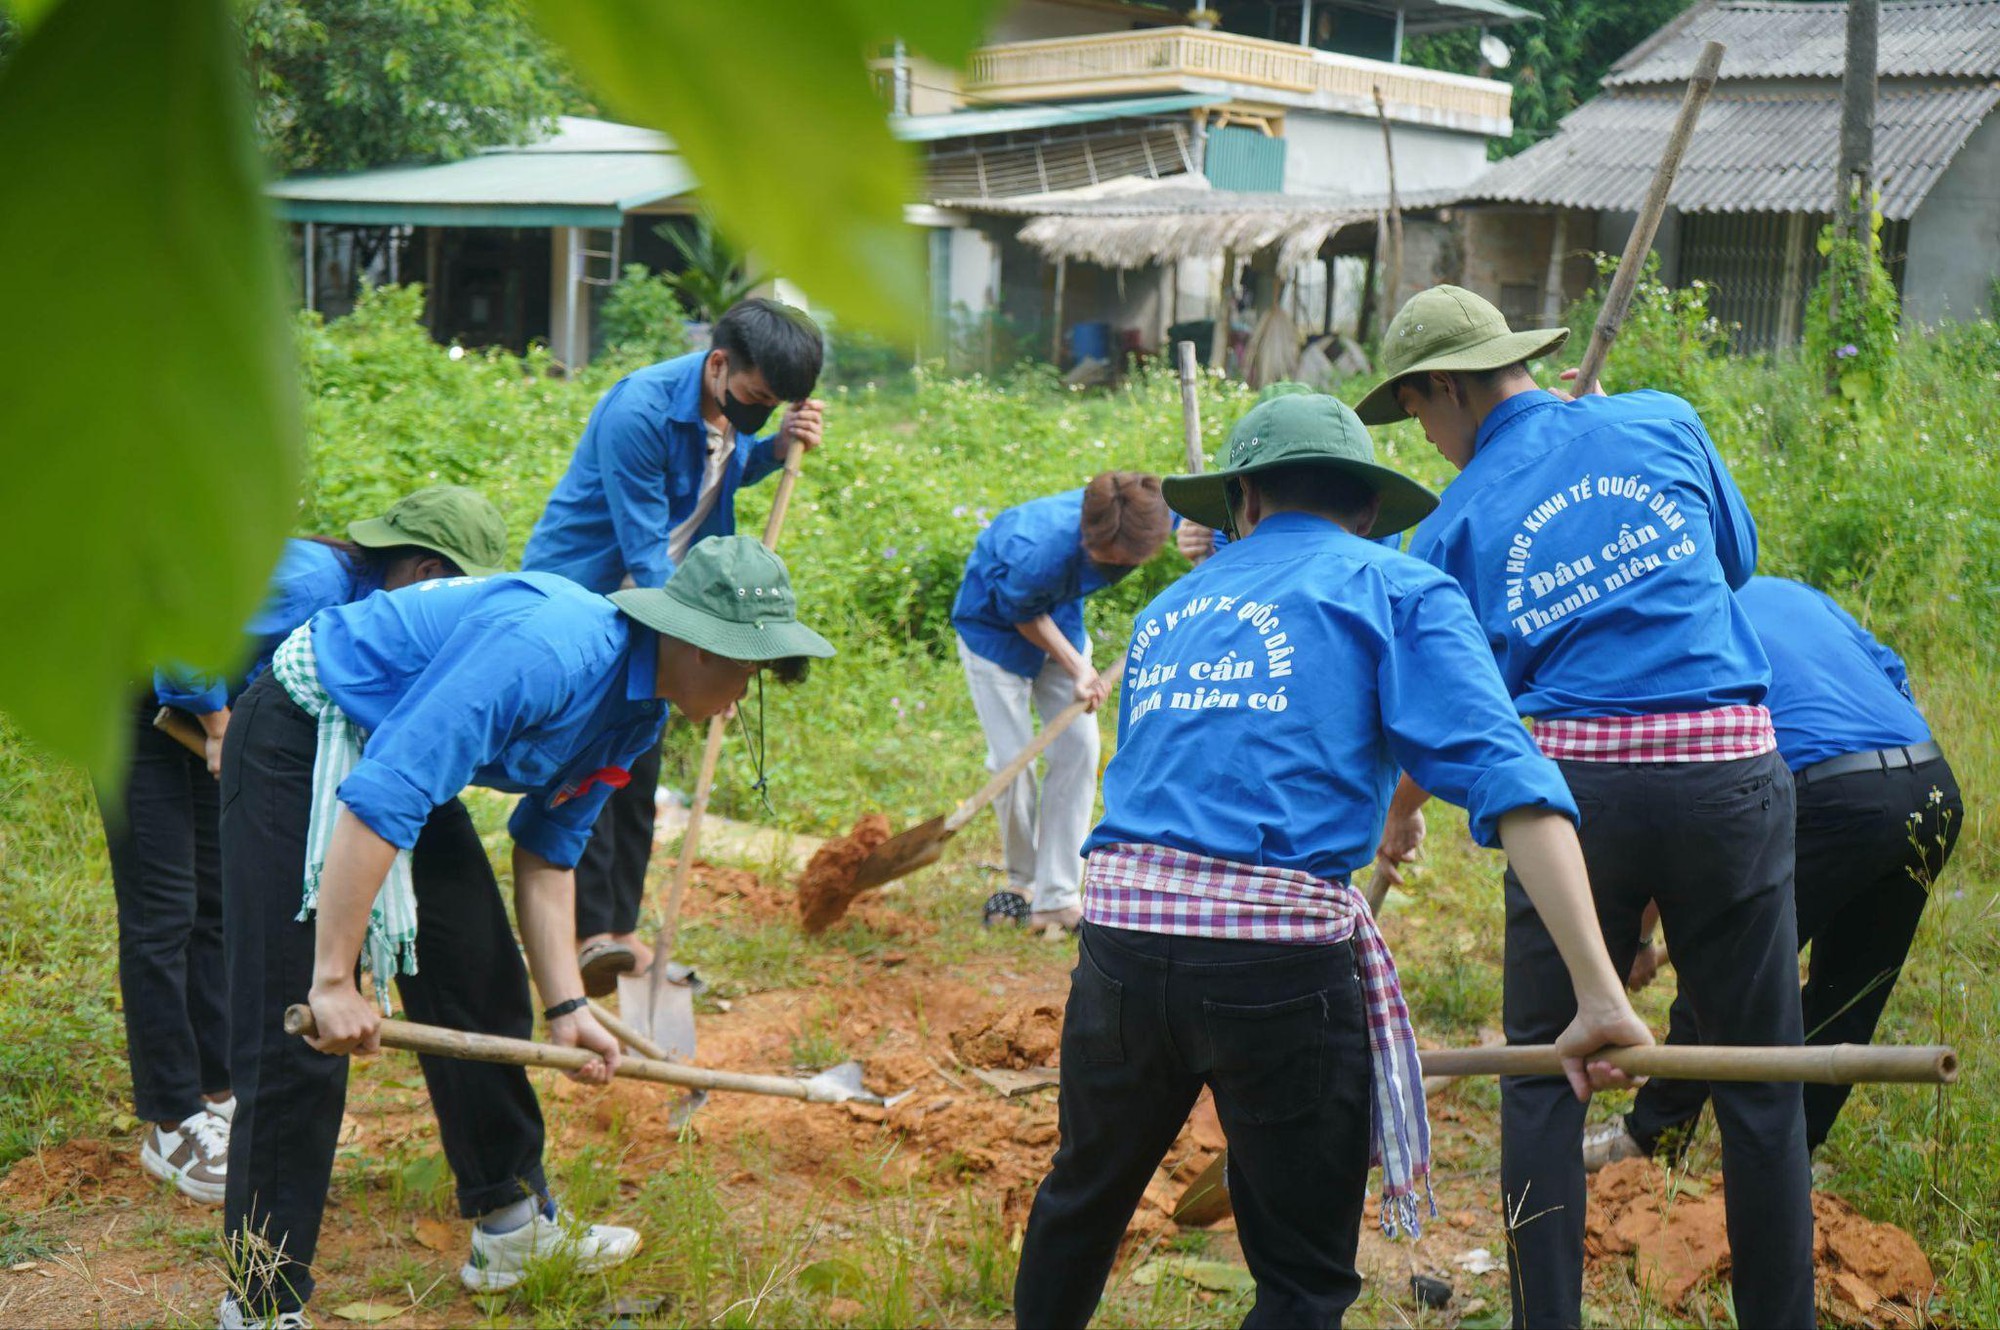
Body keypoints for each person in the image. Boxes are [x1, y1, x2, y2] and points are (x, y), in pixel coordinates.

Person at [1012, 393, 1651, 1329]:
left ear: (1242, 505)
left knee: (1082, 1199)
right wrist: (1600, 994)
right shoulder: (1395, 589)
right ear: (1366, 512)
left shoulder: (1172, 609)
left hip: (1120, 952)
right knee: (1304, 1278)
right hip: (1277, 973)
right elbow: (1515, 782)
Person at [216, 537, 834, 1328]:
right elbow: (382, 797)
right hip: (305, 732)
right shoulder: (551, 651)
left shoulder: (638, 714)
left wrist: (568, 1005)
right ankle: (261, 1303)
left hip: (396, 747)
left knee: (479, 978)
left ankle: (510, 1228)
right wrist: (335, 979)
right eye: (748, 669)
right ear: (693, 643)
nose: (746, 693)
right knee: (298, 1034)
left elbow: (547, 849)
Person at [1356, 285, 1816, 1328]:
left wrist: (1398, 808)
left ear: (1447, 386)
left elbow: (1453, 695)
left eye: (1418, 414)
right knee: (1757, 1076)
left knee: (1541, 1073)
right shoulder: (1658, 418)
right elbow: (1732, 563)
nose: (1426, 441)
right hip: (1725, 779)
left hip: (1569, 803)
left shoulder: (1453, 523)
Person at [100, 485, 506, 1207]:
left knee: (215, 905)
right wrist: (221, 724)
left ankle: (215, 1094)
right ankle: (172, 1120)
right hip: (142, 705)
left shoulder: (360, 604)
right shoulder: (313, 581)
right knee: (162, 911)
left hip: (205, 714)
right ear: (421, 570)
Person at [1587, 575, 1964, 1169]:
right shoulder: (1789, 592)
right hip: (1930, 784)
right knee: (1849, 992)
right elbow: (1893, 674)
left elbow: (1676, 802)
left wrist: (1636, 937)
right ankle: (1796, 1158)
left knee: (1726, 968)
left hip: (1829, 795)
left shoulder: (1685, 623)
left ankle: (1648, 1141)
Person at [521, 297, 826, 994]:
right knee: (590, 764)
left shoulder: (728, 405)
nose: (758, 409)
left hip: (663, 599)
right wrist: (709, 649)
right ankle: (586, 932)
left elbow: (719, 474)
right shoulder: (640, 412)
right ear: (719, 364)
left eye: (774, 403)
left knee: (638, 759)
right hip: (594, 599)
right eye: (755, 399)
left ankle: (620, 929)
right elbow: (645, 550)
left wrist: (776, 447)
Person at [949, 472, 1173, 933]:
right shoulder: (1038, 549)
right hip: (993, 635)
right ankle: (1022, 882)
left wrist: (1212, 541)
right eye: (1103, 560)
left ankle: (1058, 897)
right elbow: (1022, 614)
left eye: (1122, 562)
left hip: (1062, 625)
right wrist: (1079, 670)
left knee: (1079, 751)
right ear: (1086, 537)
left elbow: (1209, 511)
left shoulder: (1150, 514)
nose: (1112, 567)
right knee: (1012, 764)